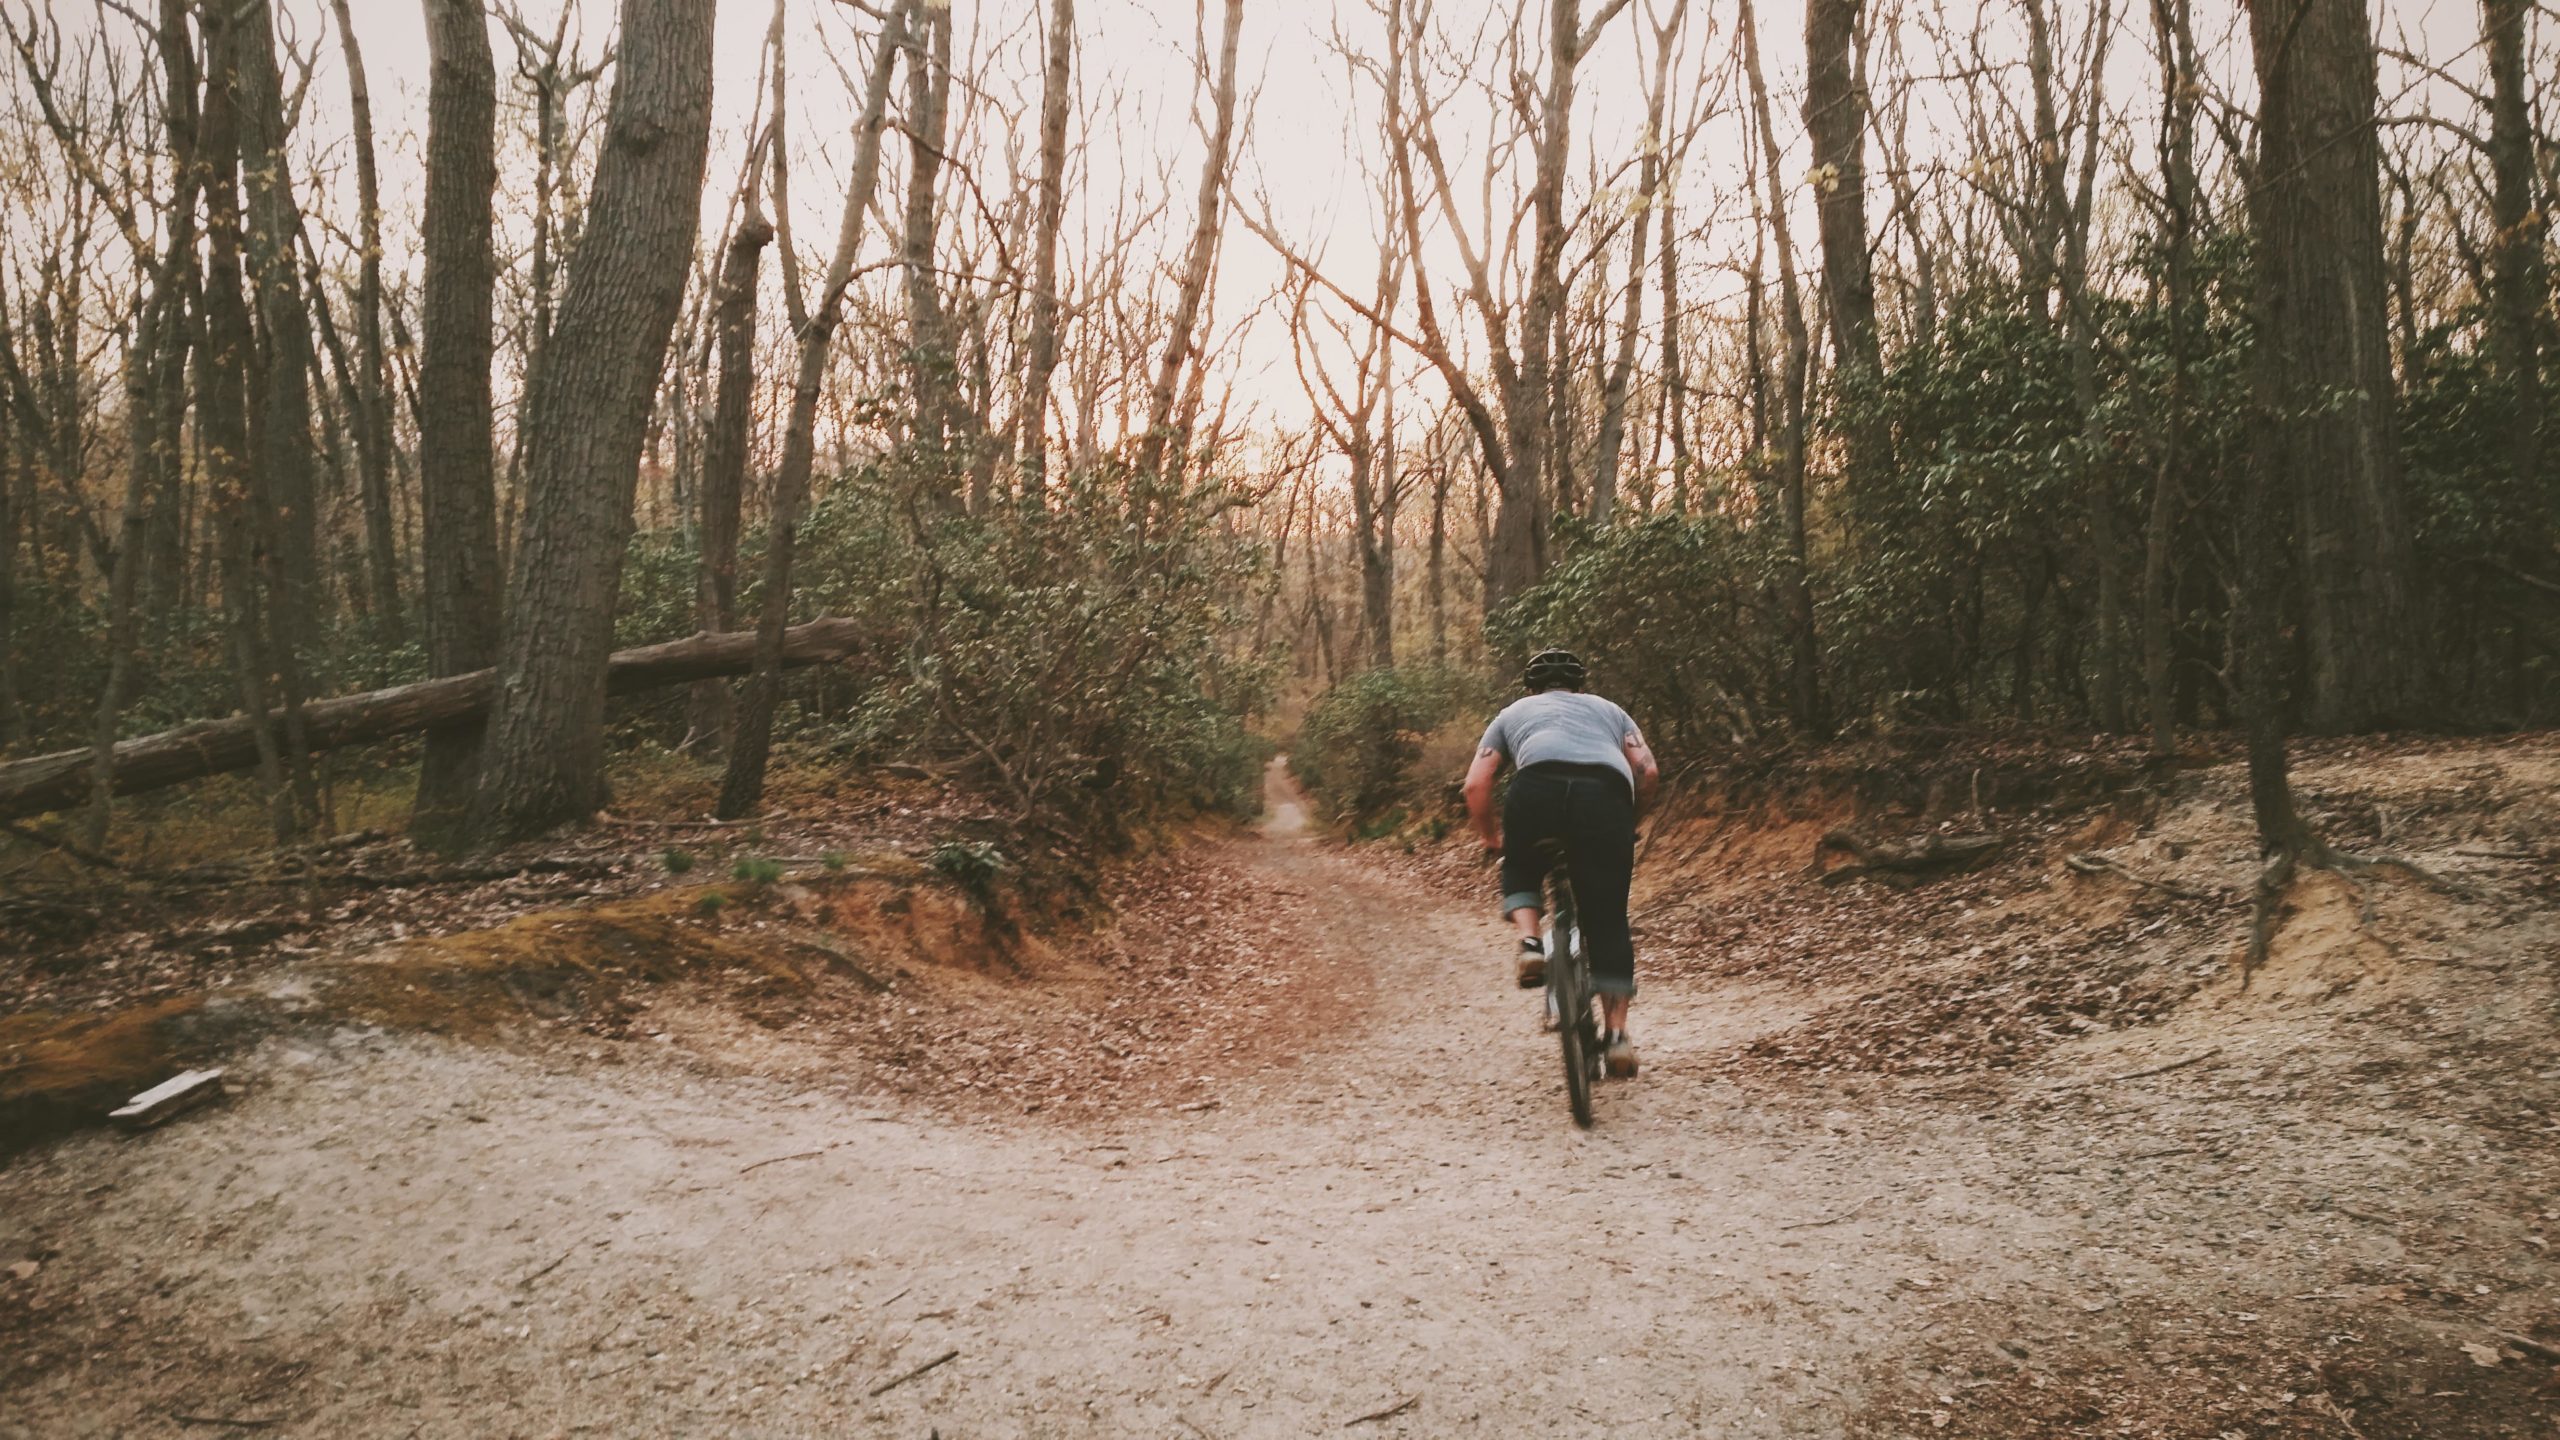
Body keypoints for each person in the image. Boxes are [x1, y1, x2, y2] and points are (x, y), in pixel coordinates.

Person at [1461, 649, 1660, 1077]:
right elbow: (1647, 772)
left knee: (1520, 864)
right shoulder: (1610, 711)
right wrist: (1630, 820)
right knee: (1607, 920)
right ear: (1580, 687)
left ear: (1530, 688)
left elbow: (1476, 784)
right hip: (1604, 799)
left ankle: (1531, 944)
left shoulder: (1513, 713)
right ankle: (1618, 1037)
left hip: (1537, 792)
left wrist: (1490, 838)